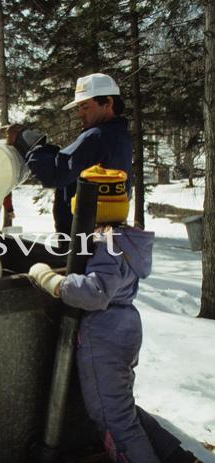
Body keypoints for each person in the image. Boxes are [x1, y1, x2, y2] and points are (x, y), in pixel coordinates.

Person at [28, 166, 201, 463]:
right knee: (122, 407)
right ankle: (175, 455)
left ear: (86, 207)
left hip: (104, 335)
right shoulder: (125, 239)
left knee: (113, 418)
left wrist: (52, 281)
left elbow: (97, 292)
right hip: (122, 327)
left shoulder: (107, 244)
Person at [8, 73, 132, 236]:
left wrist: (25, 141)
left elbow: (56, 173)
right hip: (101, 232)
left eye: (85, 106)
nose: (80, 113)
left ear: (107, 102)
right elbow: (70, 162)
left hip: (84, 237)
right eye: (79, 107)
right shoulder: (118, 134)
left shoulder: (97, 136)